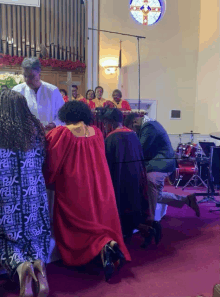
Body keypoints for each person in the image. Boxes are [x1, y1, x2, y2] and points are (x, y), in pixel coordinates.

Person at [43, 100, 131, 282]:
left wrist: (47, 179)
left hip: (73, 185)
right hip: (98, 183)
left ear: (66, 115)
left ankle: (101, 247)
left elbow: (51, 163)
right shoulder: (97, 132)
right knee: (95, 220)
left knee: (76, 224)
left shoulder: (62, 133)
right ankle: (108, 243)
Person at [0, 90, 50, 297]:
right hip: (34, 192)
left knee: (6, 237)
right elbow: (43, 158)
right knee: (35, 235)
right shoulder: (35, 129)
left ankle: (21, 268)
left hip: (7, 192)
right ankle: (38, 265)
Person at [124, 113, 200, 244]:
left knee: (150, 182)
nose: (133, 131)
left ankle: (151, 222)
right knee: (156, 196)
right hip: (161, 162)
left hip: (161, 163)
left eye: (132, 128)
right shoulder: (149, 125)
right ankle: (187, 200)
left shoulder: (149, 127)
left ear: (135, 121)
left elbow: (141, 149)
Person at [101, 108, 148, 239]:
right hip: (136, 177)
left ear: (110, 122)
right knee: (133, 206)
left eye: (105, 123)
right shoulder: (133, 134)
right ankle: (146, 230)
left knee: (122, 210)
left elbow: (107, 163)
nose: (104, 126)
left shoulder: (111, 138)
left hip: (120, 179)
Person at [12, 57, 64, 132]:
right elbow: (12, 116)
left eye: (31, 76)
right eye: (25, 76)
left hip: (48, 136)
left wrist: (54, 124)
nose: (27, 80)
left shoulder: (53, 91)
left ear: (39, 74)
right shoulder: (17, 91)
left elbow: (63, 116)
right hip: (25, 139)